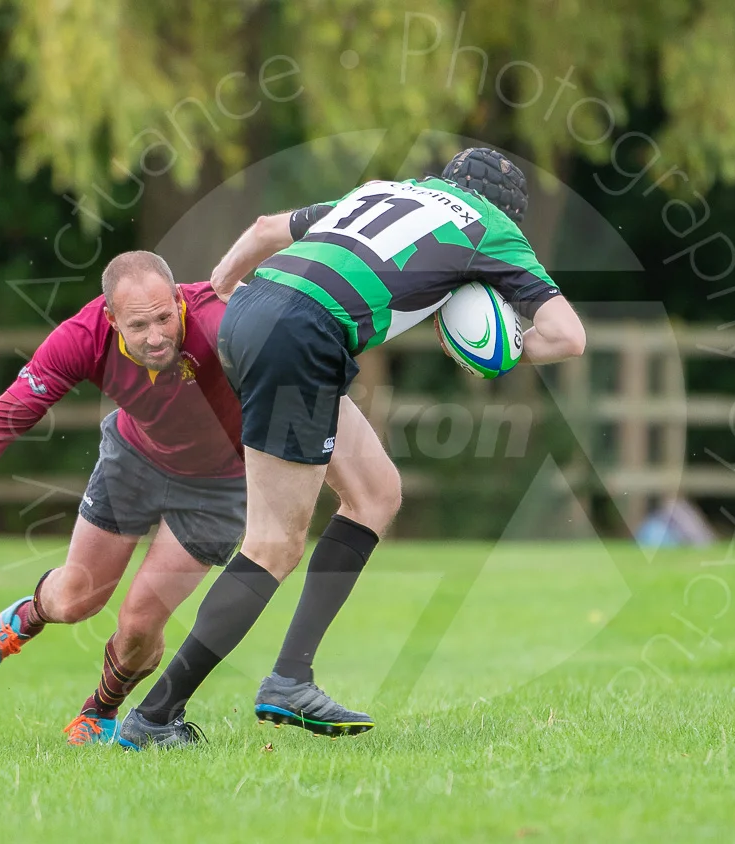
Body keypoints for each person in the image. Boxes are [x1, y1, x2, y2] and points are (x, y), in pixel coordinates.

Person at [116, 148, 588, 748]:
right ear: (508, 214)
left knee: (374, 493)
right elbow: (567, 337)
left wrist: (222, 289)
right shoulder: (493, 229)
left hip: (258, 310)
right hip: (303, 333)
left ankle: (291, 677)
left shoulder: (385, 189)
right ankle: (156, 717)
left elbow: (263, 231)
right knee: (273, 544)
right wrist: (491, 347)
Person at [0, 251, 244, 747]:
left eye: (165, 318)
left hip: (219, 485)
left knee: (139, 625)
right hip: (136, 460)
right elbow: (8, 412)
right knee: (76, 600)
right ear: (111, 319)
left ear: (178, 300)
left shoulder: (222, 318)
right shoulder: (83, 337)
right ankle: (29, 616)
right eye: (139, 325)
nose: (156, 337)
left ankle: (98, 711)